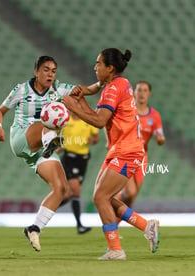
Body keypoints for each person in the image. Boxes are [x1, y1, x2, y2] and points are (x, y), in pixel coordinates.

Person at [0, 56, 101, 252]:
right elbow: (0, 111)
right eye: (46, 70)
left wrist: (102, 81)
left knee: (62, 189)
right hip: (22, 137)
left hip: (40, 148)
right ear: (36, 72)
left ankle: (34, 228)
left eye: (53, 71)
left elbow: (89, 89)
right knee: (55, 112)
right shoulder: (22, 89)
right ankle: (52, 141)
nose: (50, 74)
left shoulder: (58, 88)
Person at [62, 48, 159, 260]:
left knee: (100, 197)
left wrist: (72, 105)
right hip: (121, 149)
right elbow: (95, 101)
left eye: (98, 64)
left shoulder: (112, 90)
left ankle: (116, 249)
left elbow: (98, 121)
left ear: (110, 68)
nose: (95, 67)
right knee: (105, 198)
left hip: (127, 150)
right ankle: (146, 226)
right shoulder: (119, 84)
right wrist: (81, 97)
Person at [116, 81, 165, 209]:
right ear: (134, 93)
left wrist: (160, 140)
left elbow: (160, 137)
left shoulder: (154, 116)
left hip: (142, 158)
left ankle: (113, 224)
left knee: (132, 197)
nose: (142, 93)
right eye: (139, 90)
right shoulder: (127, 110)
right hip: (125, 154)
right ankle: (110, 207)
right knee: (130, 192)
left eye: (145, 90)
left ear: (149, 93)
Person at [59, 111, 99, 234]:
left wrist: (91, 140)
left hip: (83, 159)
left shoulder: (88, 121)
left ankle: (47, 209)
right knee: (76, 190)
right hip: (69, 158)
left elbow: (96, 139)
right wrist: (58, 147)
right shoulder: (65, 121)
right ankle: (80, 225)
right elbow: (59, 138)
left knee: (69, 195)